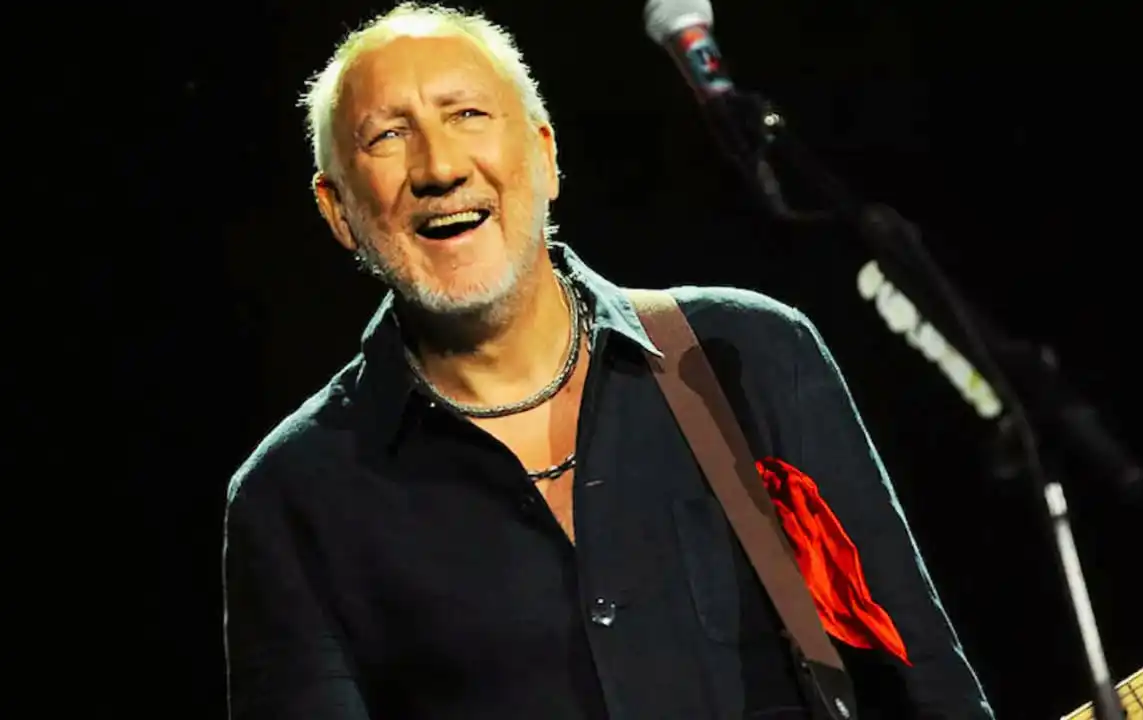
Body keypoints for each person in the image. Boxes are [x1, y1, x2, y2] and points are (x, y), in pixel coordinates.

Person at [222, 3, 995, 718]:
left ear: (546, 155)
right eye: (387, 136)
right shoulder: (291, 495)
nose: (440, 166)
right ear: (338, 211)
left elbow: (930, 686)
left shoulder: (749, 354)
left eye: (467, 114)